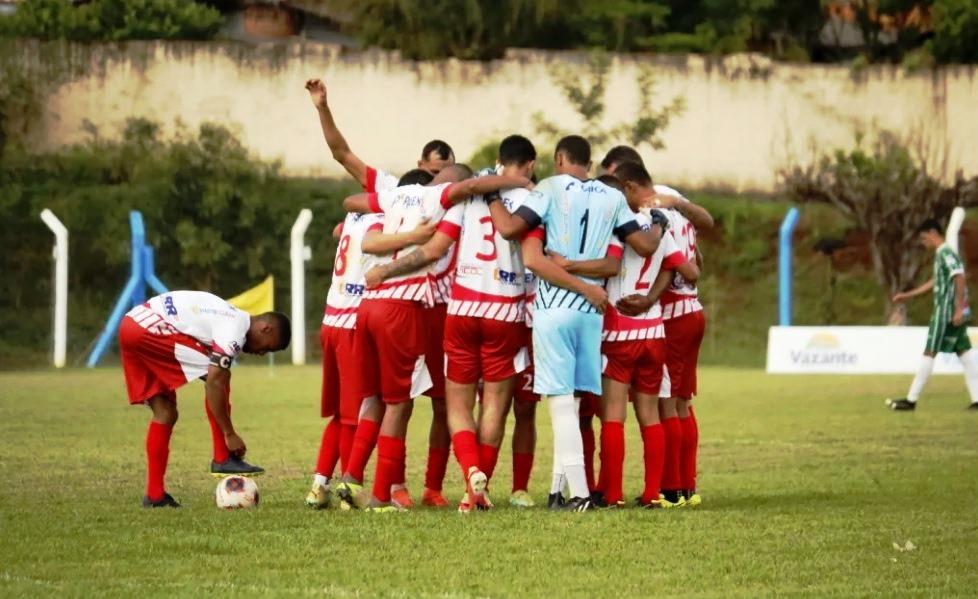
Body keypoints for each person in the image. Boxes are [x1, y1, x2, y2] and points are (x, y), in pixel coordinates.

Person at [339, 165, 532, 511]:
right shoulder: (447, 202)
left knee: (382, 397)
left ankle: (356, 478)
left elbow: (352, 207)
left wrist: (392, 249)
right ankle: (388, 492)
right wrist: (519, 181)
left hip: (372, 306)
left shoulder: (397, 197)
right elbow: (433, 249)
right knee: (425, 402)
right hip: (426, 309)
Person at [304, 78, 456, 508]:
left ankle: (431, 487)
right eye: (428, 172)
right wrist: (323, 108)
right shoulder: (396, 193)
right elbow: (344, 160)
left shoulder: (446, 199)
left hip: (426, 308)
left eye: (441, 174)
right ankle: (391, 486)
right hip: (395, 304)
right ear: (417, 167)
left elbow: (353, 207)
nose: (433, 181)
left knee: (437, 402)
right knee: (395, 400)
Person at [487, 135, 659, 511]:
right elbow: (644, 246)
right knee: (573, 400)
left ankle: (579, 493)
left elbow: (510, 228)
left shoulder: (548, 188)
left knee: (562, 404)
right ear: (589, 161)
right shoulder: (612, 197)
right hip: (592, 311)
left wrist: (491, 195)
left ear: (560, 158)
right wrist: (658, 220)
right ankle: (556, 490)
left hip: (555, 305)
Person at [119, 291, 290, 507]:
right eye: (267, 347)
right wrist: (230, 434)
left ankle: (154, 496)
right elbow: (214, 382)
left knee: (166, 413)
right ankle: (222, 458)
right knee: (217, 377)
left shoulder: (228, 315)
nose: (262, 353)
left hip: (131, 324)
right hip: (150, 327)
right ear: (266, 328)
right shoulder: (235, 328)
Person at [602, 161, 700, 509]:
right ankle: (653, 493)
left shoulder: (615, 226)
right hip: (654, 331)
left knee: (614, 413)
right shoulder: (658, 226)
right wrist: (651, 298)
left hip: (619, 332)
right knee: (651, 414)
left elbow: (609, 267)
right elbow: (685, 269)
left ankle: (612, 495)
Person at [887, 219, 978, 411]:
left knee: (930, 351)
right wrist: (908, 295)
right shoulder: (941, 255)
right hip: (951, 311)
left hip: (945, 312)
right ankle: (977, 399)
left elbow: (959, 276)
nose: (923, 242)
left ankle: (911, 400)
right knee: (965, 353)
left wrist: (958, 308)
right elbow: (937, 281)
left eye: (923, 237)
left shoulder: (945, 252)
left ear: (932, 232)